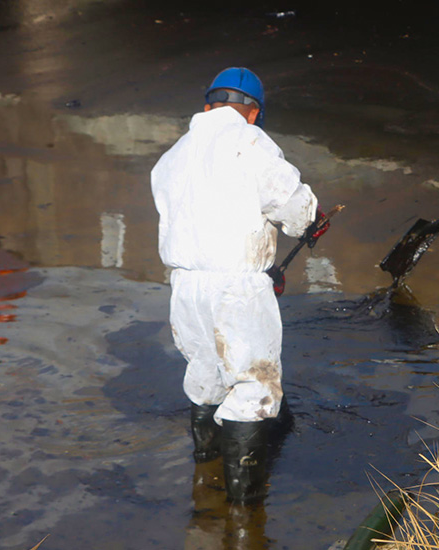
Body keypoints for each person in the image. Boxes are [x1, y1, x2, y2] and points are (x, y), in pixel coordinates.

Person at [151, 67, 328, 503]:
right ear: (253, 114)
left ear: (208, 105)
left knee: (206, 377)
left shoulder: (173, 155)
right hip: (236, 289)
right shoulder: (251, 142)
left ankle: (205, 481)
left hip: (185, 288)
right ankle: (244, 516)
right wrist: (310, 220)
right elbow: (292, 205)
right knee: (253, 388)